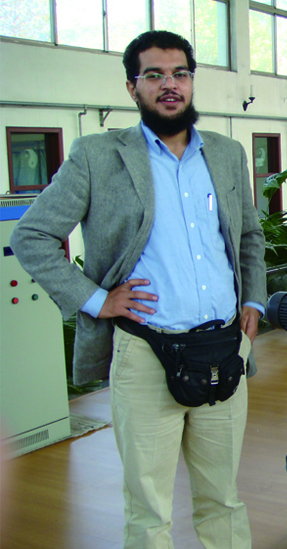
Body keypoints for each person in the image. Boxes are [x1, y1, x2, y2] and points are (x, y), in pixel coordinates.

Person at [10, 30, 266, 549]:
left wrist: (254, 302)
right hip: (146, 354)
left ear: (191, 82)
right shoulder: (97, 155)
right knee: (148, 511)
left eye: (180, 73)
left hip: (223, 348)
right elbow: (31, 236)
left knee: (223, 499)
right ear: (132, 87)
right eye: (154, 75)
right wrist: (97, 300)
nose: (170, 85)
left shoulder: (226, 153)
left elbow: (248, 236)